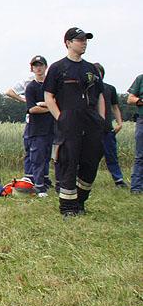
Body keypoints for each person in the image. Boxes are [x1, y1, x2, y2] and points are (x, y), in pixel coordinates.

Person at [43, 28, 106, 217]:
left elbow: (100, 96)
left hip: (91, 121)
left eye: (85, 39)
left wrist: (101, 120)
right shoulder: (57, 68)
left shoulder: (91, 69)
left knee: (91, 162)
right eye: (79, 40)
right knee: (68, 163)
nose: (84, 43)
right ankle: (68, 207)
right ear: (68, 43)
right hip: (69, 121)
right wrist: (60, 118)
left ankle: (80, 201)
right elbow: (48, 96)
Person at [21, 56, 54, 196]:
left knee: (47, 156)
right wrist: (50, 108)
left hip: (52, 127)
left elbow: (59, 101)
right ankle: (39, 187)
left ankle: (45, 181)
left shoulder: (52, 85)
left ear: (46, 67)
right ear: (32, 69)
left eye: (41, 65)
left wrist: (45, 104)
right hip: (37, 129)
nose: (38, 68)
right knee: (37, 158)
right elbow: (32, 109)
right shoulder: (31, 87)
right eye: (36, 66)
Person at [91, 63, 126, 188]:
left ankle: (118, 180)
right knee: (89, 158)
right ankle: (85, 180)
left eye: (99, 72)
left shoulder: (110, 89)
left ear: (102, 74)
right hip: (91, 130)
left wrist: (120, 123)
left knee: (111, 156)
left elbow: (115, 107)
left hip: (107, 130)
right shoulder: (87, 89)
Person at [127, 73, 143, 194]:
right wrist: (140, 100)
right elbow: (130, 99)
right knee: (140, 155)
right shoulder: (141, 78)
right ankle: (136, 187)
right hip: (142, 120)